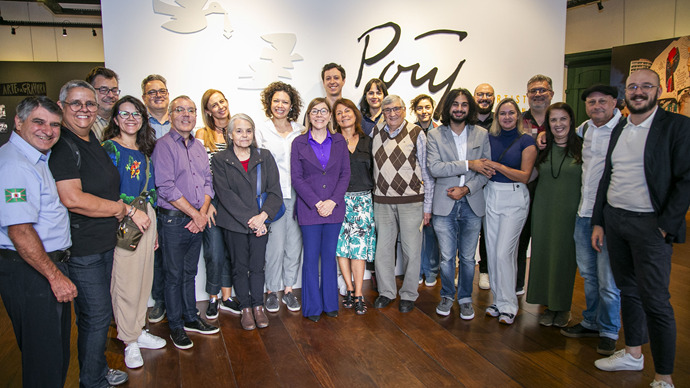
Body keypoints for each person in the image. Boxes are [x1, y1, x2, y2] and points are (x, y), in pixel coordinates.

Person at [592, 69, 690, 388]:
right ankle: (633, 353)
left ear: (658, 91)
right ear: (626, 92)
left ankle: (664, 376)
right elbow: (607, 177)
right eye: (633, 86)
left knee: (656, 301)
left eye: (646, 86)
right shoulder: (620, 128)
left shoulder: (676, 127)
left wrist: (665, 226)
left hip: (651, 226)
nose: (638, 91)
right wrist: (599, 221)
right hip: (616, 221)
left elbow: (686, 180)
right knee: (629, 292)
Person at [50, 80, 140, 387]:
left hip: (104, 244)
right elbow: (73, 198)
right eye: (76, 103)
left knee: (100, 316)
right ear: (61, 107)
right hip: (84, 249)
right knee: (96, 317)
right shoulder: (63, 145)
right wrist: (121, 209)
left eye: (89, 103)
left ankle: (96, 371)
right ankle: (92, 380)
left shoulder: (92, 141)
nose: (84, 109)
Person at [0, 96, 77, 388]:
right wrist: (55, 277)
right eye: (39, 122)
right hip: (32, 272)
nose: (48, 130)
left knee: (53, 354)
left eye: (55, 124)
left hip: (40, 269)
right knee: (43, 360)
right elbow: (20, 231)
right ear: (18, 122)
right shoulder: (15, 166)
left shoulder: (35, 157)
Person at [101, 96, 167, 369]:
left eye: (136, 114)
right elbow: (104, 189)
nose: (131, 118)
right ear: (115, 118)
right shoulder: (109, 149)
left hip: (147, 218)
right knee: (125, 282)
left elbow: (150, 192)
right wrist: (130, 211)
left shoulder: (144, 150)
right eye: (124, 114)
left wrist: (154, 228)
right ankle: (128, 341)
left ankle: (138, 330)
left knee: (143, 280)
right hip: (124, 218)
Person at [559, 84, 622, 356]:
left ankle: (609, 330)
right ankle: (591, 321)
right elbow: (559, 136)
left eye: (602, 101)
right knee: (588, 274)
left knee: (608, 278)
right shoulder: (584, 130)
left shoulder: (624, 131)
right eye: (592, 102)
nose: (597, 106)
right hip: (583, 213)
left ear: (614, 102)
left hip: (609, 217)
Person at [151, 95, 218, 350]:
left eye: (191, 110)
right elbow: (165, 187)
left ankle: (191, 317)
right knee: (173, 275)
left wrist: (200, 214)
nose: (186, 114)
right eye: (180, 110)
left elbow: (208, 182)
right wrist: (196, 215)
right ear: (171, 115)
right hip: (173, 222)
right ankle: (176, 326)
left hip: (195, 220)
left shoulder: (200, 147)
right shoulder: (163, 146)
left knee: (190, 273)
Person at [212, 113, 283, 330]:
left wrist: (262, 218)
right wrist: (250, 220)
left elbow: (275, 192)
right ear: (231, 134)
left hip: (261, 222)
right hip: (235, 224)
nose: (244, 135)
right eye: (239, 131)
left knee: (258, 266)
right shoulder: (220, 159)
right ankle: (245, 308)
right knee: (239, 267)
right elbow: (225, 196)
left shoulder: (265, 156)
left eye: (248, 130)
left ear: (253, 134)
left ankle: (258, 307)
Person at [426, 88, 491, 320]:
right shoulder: (435, 135)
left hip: (472, 203)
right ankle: (446, 295)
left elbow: (486, 171)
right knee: (445, 257)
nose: (460, 108)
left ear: (470, 108)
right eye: (455, 104)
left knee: (467, 257)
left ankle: (465, 299)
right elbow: (435, 168)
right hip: (444, 204)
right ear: (447, 107)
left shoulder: (482, 134)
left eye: (464, 104)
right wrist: (468, 164)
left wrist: (466, 188)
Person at [371, 95, 434, 313]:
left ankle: (408, 294)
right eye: (387, 110)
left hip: (412, 202)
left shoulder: (417, 133)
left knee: (412, 251)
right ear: (383, 112)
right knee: (383, 251)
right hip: (382, 201)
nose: (392, 113)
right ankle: (387, 292)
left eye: (396, 109)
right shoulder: (375, 132)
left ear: (405, 110)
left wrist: (428, 206)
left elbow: (426, 172)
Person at [291, 98, 350, 322]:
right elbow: (296, 178)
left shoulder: (339, 141)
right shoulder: (299, 143)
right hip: (309, 210)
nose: (319, 115)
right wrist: (317, 203)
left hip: (334, 209)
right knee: (310, 258)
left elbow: (345, 174)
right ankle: (313, 308)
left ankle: (330, 304)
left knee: (328, 257)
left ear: (329, 115)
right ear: (308, 115)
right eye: (314, 111)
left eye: (323, 111)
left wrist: (333, 201)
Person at [526, 102, 583, 328]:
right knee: (543, 255)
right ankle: (547, 305)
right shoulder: (543, 147)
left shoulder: (583, 147)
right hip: (543, 209)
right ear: (547, 124)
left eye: (563, 119)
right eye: (553, 120)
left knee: (564, 259)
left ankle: (563, 306)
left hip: (570, 211)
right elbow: (529, 175)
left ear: (571, 121)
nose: (558, 124)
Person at [483, 98, 537, 325]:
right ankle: (497, 300)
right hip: (491, 194)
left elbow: (525, 176)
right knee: (493, 250)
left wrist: (498, 167)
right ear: (497, 117)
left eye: (511, 113)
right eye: (502, 113)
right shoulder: (489, 138)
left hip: (515, 197)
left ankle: (509, 305)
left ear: (518, 116)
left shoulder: (527, 141)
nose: (507, 117)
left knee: (505, 252)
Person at [256, 81, 304, 313]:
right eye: (276, 101)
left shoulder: (300, 130)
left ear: (291, 105)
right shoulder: (261, 130)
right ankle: (271, 291)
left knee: (294, 245)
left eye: (285, 101)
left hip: (297, 195)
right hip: (272, 196)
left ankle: (288, 289)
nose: (280, 105)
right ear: (269, 103)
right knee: (274, 247)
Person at [195, 89, 237, 319]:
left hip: (235, 202)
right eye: (214, 104)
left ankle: (227, 297)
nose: (220, 106)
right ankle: (213, 298)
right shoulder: (202, 134)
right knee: (214, 252)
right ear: (208, 111)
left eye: (222, 101)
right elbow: (201, 173)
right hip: (212, 201)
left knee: (231, 250)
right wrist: (207, 202)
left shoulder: (237, 130)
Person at [333, 98, 376, 315]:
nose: (343, 115)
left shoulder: (369, 141)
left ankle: (359, 293)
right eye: (339, 113)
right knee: (341, 248)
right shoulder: (332, 142)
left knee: (358, 250)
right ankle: (348, 288)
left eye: (347, 111)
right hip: (338, 201)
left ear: (355, 114)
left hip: (363, 201)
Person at [515, 74, 554, 295]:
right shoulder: (519, 121)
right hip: (525, 188)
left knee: (547, 242)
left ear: (551, 94)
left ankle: (545, 290)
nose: (538, 94)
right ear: (527, 95)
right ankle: (517, 285)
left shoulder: (560, 118)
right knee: (521, 238)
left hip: (553, 189)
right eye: (533, 91)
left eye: (542, 90)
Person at [141, 74, 170, 324]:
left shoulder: (181, 120)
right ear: (144, 98)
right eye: (152, 92)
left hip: (176, 201)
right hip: (151, 197)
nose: (158, 95)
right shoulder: (140, 125)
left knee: (175, 253)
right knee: (156, 254)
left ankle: (178, 300)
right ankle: (159, 301)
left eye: (162, 91)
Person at [410, 94, 440, 287]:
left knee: (432, 232)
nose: (424, 111)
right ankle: (418, 270)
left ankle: (432, 270)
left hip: (437, 187)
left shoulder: (440, 131)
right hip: (415, 188)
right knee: (416, 232)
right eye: (420, 108)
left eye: (427, 107)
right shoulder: (410, 131)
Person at [473, 83, 496, 290]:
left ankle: (486, 271)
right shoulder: (466, 120)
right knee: (469, 230)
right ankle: (466, 269)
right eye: (480, 94)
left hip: (492, 183)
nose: (484, 98)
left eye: (488, 95)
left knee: (487, 232)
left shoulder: (499, 121)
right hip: (469, 183)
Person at [86, 67, 120, 142]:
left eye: (114, 90)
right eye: (104, 90)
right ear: (90, 91)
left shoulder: (123, 121)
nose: (111, 95)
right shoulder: (85, 125)